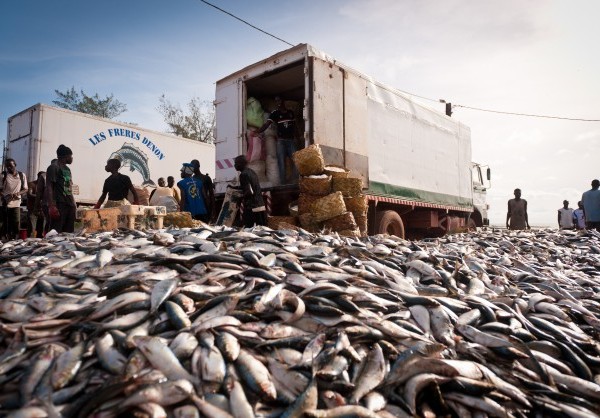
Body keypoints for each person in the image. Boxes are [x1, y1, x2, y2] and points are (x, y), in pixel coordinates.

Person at [258, 96, 299, 185]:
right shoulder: (275, 113)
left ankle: (295, 181)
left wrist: (298, 138)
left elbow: (295, 127)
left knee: (297, 161)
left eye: (279, 100)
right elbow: (266, 125)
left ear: (283, 101)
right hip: (281, 142)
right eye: (276, 101)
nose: (278, 103)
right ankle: (283, 184)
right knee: (281, 163)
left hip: (291, 141)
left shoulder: (290, 113)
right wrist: (258, 131)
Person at [46, 144, 76, 233]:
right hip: (60, 204)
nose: (72, 158)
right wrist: (52, 206)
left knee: (68, 232)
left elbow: (69, 187)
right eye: (71, 156)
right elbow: (49, 187)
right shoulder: (53, 167)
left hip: (69, 204)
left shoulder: (67, 169)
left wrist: (74, 204)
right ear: (66, 156)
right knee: (56, 232)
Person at [230, 155, 267, 228]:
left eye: (236, 163)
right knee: (262, 230)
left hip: (252, 207)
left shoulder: (243, 175)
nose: (234, 165)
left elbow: (249, 192)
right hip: (260, 205)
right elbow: (248, 186)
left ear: (241, 163)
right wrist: (234, 187)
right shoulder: (251, 172)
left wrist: (238, 200)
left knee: (248, 229)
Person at [0, 158, 28, 240]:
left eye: (11, 166)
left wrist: (18, 194)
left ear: (15, 165)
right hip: (4, 203)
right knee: (3, 224)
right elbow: (0, 190)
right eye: (7, 166)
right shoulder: (3, 175)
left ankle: (14, 239)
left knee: (16, 223)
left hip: (16, 203)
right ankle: (3, 239)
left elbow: (25, 189)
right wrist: (5, 196)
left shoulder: (22, 175)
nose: (9, 168)